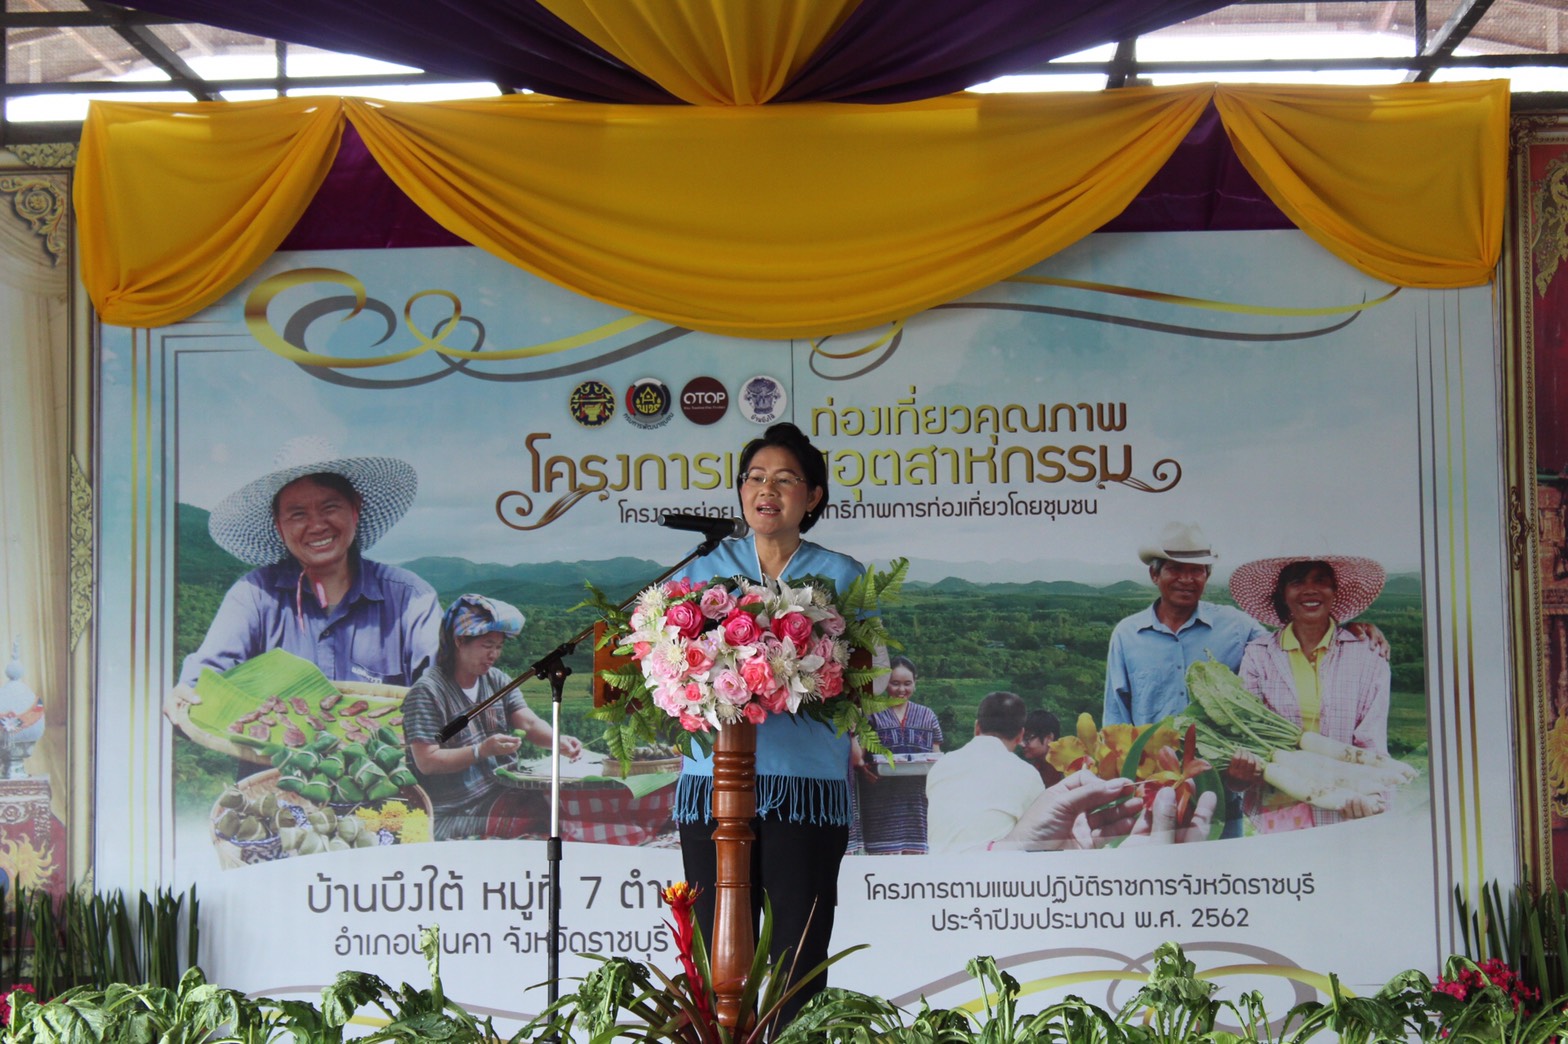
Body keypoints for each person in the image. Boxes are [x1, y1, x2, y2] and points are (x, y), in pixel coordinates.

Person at [670, 422, 860, 1025]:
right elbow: (665, 657)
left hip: (803, 785)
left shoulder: (843, 576)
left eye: (784, 479)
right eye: (755, 478)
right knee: (711, 956)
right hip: (714, 781)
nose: (766, 490)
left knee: (795, 961)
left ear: (814, 496)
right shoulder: (703, 572)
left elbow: (869, 678)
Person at [170, 437, 441, 702]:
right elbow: (203, 682)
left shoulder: (410, 599)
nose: (317, 525)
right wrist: (186, 696)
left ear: (355, 509)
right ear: (279, 525)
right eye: (298, 514)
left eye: (330, 507)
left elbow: (451, 690)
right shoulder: (254, 597)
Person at [926, 691, 1216, 851]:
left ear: (976, 728)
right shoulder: (1026, 774)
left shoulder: (940, 767)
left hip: (943, 882)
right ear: (1021, 735)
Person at [1224, 555, 1392, 831]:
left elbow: (1371, 740)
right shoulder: (1259, 655)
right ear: (1283, 594)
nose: (1310, 590)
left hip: (1349, 798)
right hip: (1280, 801)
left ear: (1335, 591)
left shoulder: (1368, 656)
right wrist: (1241, 772)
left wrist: (1372, 794)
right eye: (1297, 582)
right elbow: (1247, 733)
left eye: (1320, 581)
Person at [400, 594, 583, 841]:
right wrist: (481, 751)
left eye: (499, 646)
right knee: (541, 821)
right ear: (459, 641)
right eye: (487, 645)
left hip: (501, 792)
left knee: (565, 810)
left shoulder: (497, 680)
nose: (494, 654)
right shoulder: (428, 691)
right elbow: (427, 761)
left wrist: (557, 740)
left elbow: (528, 723)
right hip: (459, 811)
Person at [857, 655, 943, 854]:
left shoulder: (928, 716)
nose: (901, 689)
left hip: (917, 801)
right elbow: (860, 756)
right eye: (895, 683)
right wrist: (865, 770)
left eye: (907, 683)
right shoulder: (872, 714)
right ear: (884, 683)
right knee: (883, 860)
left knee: (915, 860)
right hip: (880, 800)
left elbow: (935, 755)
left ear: (915, 683)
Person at [1020, 710, 1063, 787]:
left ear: (1049, 738)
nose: (1022, 744)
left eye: (1027, 738)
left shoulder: (1068, 769)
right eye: (1021, 738)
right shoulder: (1031, 770)